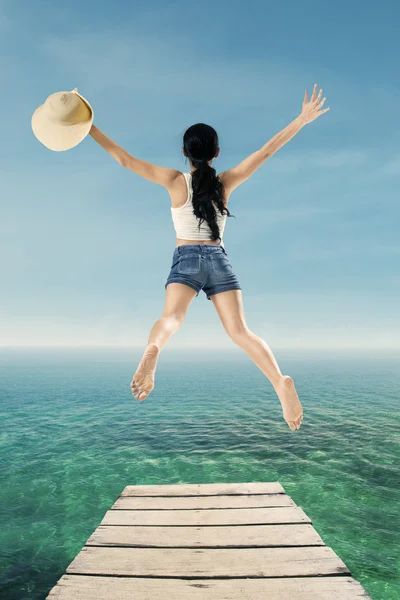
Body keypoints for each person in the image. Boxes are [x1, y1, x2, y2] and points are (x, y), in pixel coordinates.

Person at [89, 84, 329, 431]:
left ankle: (154, 348)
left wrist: (89, 126)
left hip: (186, 257)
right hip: (218, 258)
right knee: (240, 332)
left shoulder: (174, 180)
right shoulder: (225, 182)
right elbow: (264, 153)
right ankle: (279, 381)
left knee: (171, 319)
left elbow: (124, 159)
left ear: (185, 152)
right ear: (216, 152)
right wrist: (301, 120)